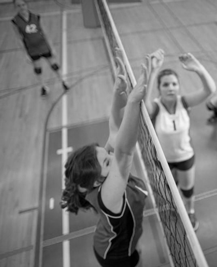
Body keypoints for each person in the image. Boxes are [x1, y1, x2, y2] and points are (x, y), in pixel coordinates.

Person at [61, 55, 149, 267]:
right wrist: (132, 102)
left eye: (105, 152)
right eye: (107, 161)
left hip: (117, 240)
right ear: (96, 183)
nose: (110, 154)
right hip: (115, 256)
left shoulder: (101, 175)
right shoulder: (108, 196)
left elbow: (115, 130)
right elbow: (125, 152)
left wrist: (117, 93)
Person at [144, 49, 216, 231]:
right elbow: (144, 105)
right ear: (159, 88)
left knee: (187, 189)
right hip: (164, 160)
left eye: (174, 84)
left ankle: (190, 211)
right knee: (171, 189)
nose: (170, 88)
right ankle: (174, 206)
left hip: (185, 157)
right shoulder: (155, 107)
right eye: (166, 85)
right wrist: (153, 72)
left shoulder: (184, 102)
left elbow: (210, 90)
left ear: (178, 86)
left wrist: (198, 69)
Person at [11, 0, 69, 96]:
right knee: (38, 69)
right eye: (18, 6)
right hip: (32, 49)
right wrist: (25, 54)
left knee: (54, 65)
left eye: (23, 4)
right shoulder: (15, 21)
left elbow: (45, 33)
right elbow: (19, 39)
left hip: (43, 46)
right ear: (15, 7)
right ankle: (44, 87)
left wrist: (52, 48)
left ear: (26, 4)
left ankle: (64, 82)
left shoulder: (36, 17)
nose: (22, 7)